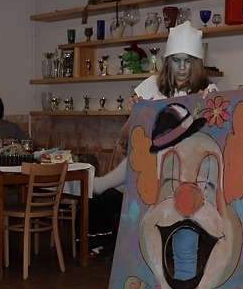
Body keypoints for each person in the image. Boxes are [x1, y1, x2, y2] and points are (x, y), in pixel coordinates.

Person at [91, 21, 217, 261]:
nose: (182, 67)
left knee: (184, 248)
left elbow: (213, 140)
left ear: (196, 63)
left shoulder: (208, 89)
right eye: (176, 60)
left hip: (186, 175)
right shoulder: (150, 86)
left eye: (188, 61)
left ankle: (101, 185)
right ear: (168, 61)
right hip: (149, 173)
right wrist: (135, 115)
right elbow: (126, 139)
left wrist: (210, 106)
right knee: (145, 247)